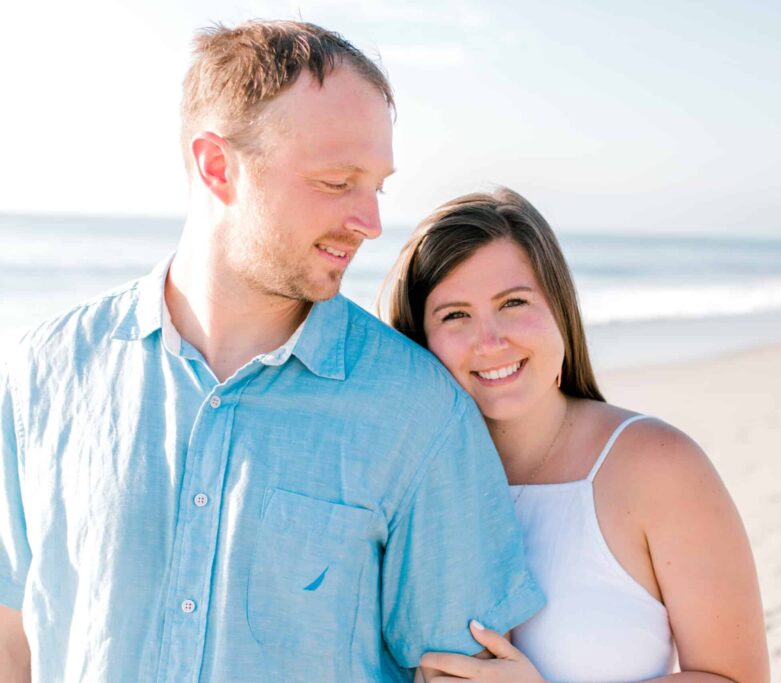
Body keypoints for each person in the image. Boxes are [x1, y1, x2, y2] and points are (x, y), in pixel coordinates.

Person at [0, 22, 544, 682]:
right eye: (338, 181)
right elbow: (12, 642)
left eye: (377, 185)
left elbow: (461, 673)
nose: (370, 222)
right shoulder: (40, 376)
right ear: (217, 165)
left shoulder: (421, 414)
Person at [387, 188, 771, 683]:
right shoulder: (400, 484)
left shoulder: (656, 465)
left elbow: (738, 677)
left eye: (514, 302)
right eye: (455, 314)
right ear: (421, 336)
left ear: (559, 310)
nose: (490, 340)